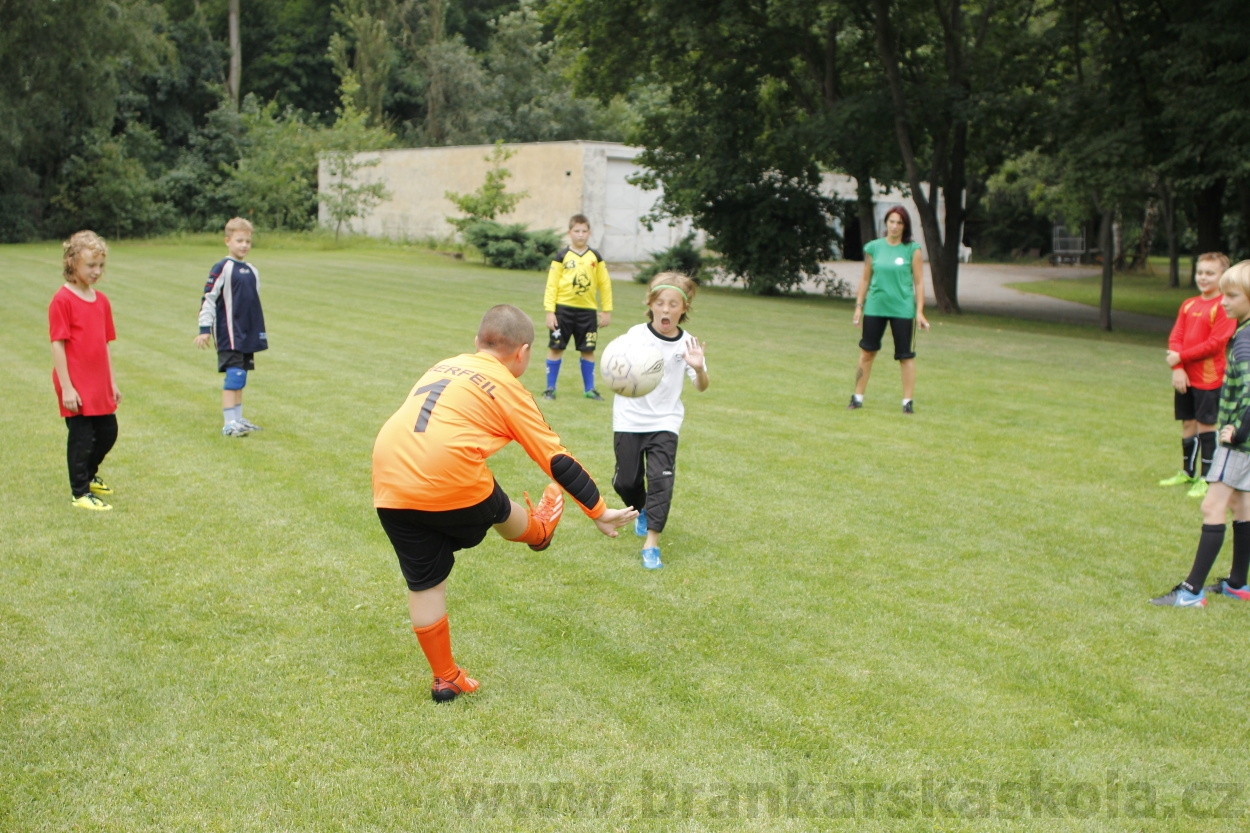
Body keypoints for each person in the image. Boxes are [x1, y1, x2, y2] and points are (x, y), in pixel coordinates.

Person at [372, 304, 637, 701]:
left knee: (426, 582)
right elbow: (556, 459)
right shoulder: (508, 388)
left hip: (389, 478)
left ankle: (446, 678)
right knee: (491, 502)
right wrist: (598, 511)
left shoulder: (444, 365)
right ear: (523, 352)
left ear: (478, 342)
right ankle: (538, 530)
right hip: (450, 475)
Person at [1152, 260, 1250, 607]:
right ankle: (1238, 584)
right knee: (1241, 504)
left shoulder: (1244, 341)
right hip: (1244, 444)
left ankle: (1190, 592)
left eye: (1232, 295)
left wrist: (1238, 432)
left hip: (1238, 443)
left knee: (1213, 505)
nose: (1223, 302)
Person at [611, 273, 709, 570]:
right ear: (651, 305)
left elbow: (701, 385)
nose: (666, 310)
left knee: (660, 481)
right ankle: (640, 509)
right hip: (629, 418)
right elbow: (616, 369)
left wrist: (698, 368)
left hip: (665, 421)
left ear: (684, 308)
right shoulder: (634, 335)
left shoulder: (688, 344)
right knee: (626, 481)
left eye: (673, 304)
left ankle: (651, 543)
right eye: (660, 303)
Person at [50, 230, 121, 511]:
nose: (96, 271)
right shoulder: (62, 300)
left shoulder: (101, 301)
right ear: (72, 263)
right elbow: (58, 344)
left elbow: (104, 345)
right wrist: (67, 387)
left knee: (107, 432)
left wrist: (112, 383)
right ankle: (80, 493)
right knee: (82, 438)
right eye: (90, 265)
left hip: (98, 382)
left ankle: (89, 474)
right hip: (75, 382)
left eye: (100, 265)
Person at [1159, 252, 1234, 498]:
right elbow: (1176, 337)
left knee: (1206, 424)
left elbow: (1215, 344)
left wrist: (1180, 358)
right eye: (1200, 271)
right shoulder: (1189, 304)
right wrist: (1178, 368)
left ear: (1223, 276)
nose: (1203, 277)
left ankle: (1207, 477)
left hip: (1209, 377)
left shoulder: (1223, 306)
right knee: (1188, 423)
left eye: (1210, 273)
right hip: (1185, 376)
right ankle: (1187, 472)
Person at [848, 206, 930, 413]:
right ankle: (857, 397)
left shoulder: (913, 249)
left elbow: (919, 283)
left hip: (902, 310)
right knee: (867, 352)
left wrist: (919, 311)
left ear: (905, 226)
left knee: (905, 356)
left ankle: (907, 403)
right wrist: (859, 306)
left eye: (899, 223)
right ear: (886, 223)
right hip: (875, 307)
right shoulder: (873, 248)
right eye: (892, 221)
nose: (895, 226)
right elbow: (865, 278)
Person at [194, 217, 267, 437]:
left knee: (242, 376)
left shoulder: (252, 270)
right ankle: (229, 423)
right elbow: (208, 298)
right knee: (233, 376)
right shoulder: (223, 267)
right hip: (230, 334)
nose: (244, 245)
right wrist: (204, 329)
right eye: (239, 240)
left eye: (247, 241)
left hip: (247, 334)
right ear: (228, 241)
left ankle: (238, 418)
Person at [542, 213, 613, 401]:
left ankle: (590, 389)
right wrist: (550, 311)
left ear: (589, 233)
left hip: (587, 311)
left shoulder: (595, 257)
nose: (580, 235)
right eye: (576, 231)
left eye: (584, 231)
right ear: (569, 232)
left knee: (588, 349)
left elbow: (604, 284)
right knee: (556, 347)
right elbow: (552, 284)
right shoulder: (562, 256)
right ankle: (550, 388)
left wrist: (606, 310)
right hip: (562, 310)